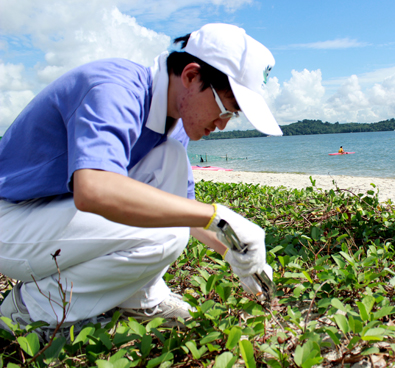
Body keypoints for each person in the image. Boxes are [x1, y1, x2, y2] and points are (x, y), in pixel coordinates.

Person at [0, 23, 282, 338]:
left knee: (170, 161)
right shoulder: (115, 89)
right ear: (190, 76)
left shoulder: (175, 125)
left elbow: (185, 212)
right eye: (225, 109)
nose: (222, 124)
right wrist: (217, 216)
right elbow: (93, 189)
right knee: (166, 234)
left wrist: (234, 251)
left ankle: (139, 298)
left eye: (232, 116)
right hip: (11, 218)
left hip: (50, 220)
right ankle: (29, 310)